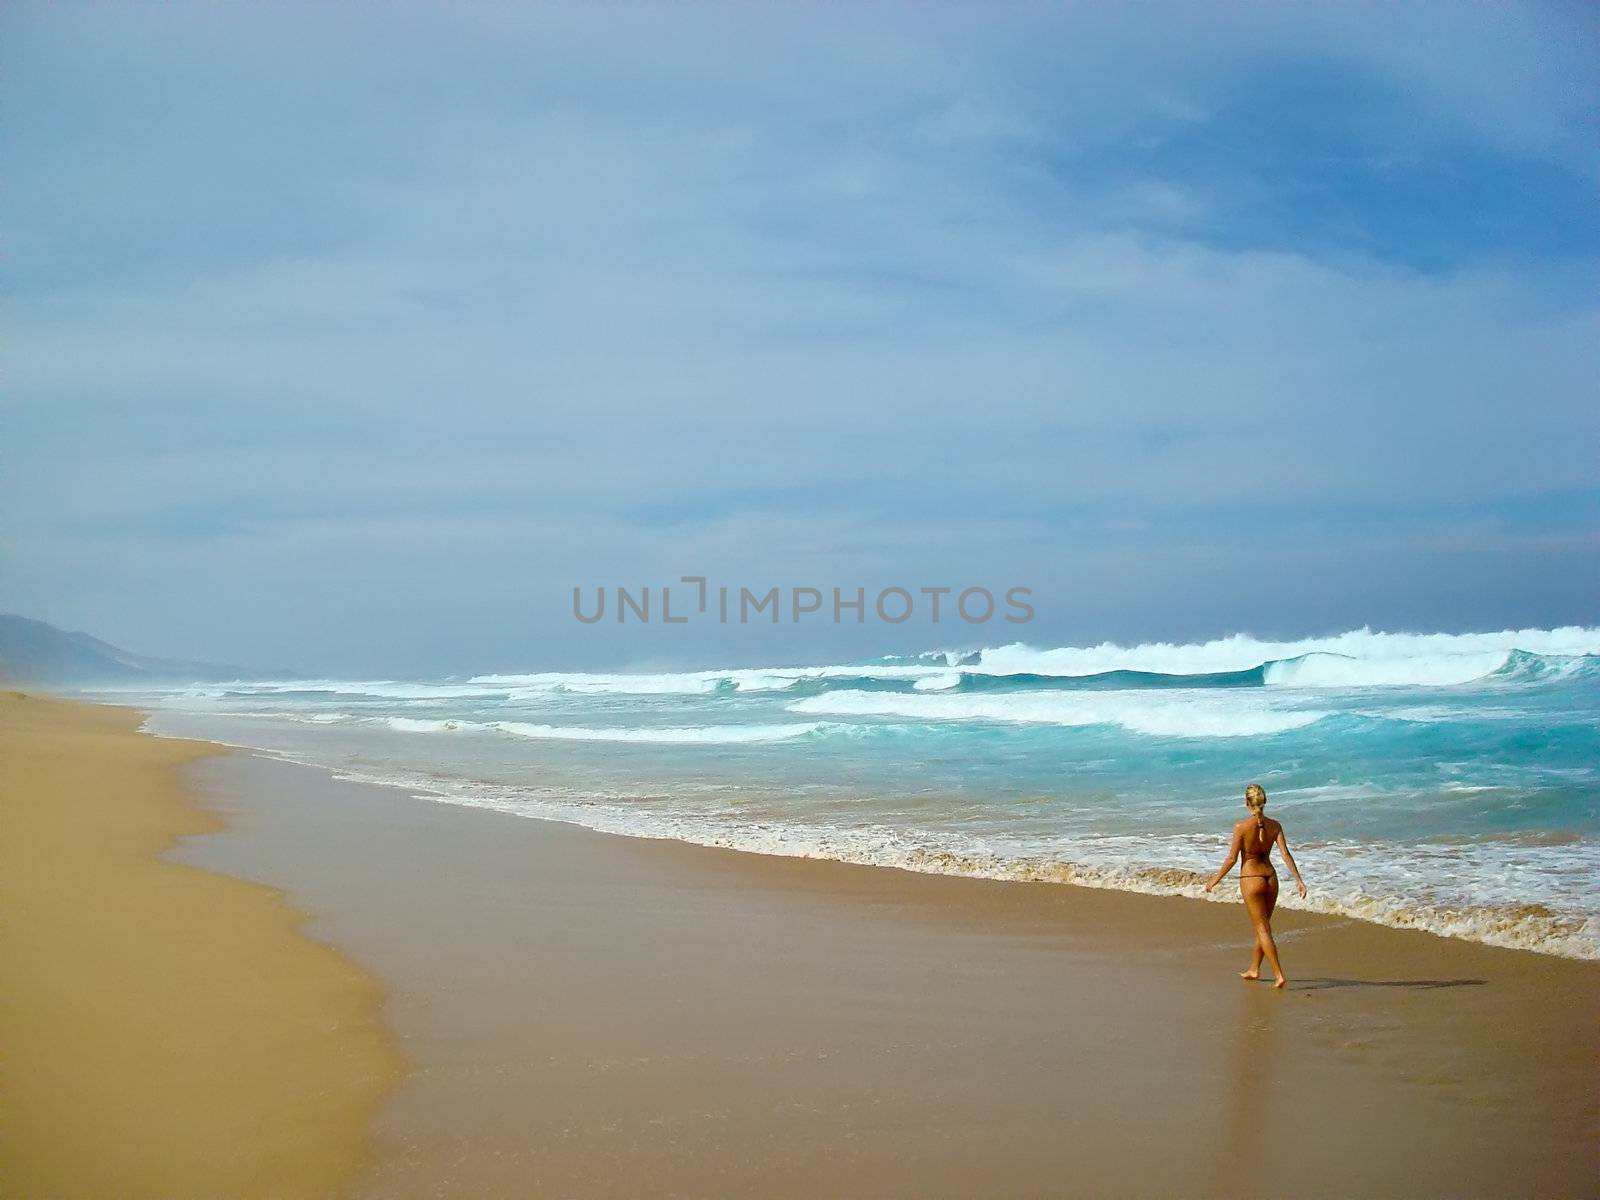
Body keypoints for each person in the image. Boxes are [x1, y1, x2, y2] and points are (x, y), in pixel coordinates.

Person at [1203, 784, 1307, 988]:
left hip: (1251, 879)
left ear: (1246, 803)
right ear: (1264, 803)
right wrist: (1299, 881)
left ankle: (1278, 975)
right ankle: (1254, 969)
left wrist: (1214, 880)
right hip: (1270, 878)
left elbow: (1232, 859)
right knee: (1264, 928)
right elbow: (1286, 854)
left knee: (1262, 929)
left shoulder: (1241, 827)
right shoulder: (1275, 825)